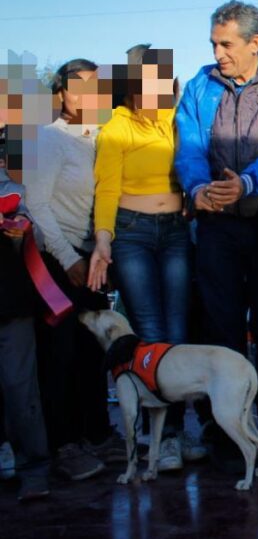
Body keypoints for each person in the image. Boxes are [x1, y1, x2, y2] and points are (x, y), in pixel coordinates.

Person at [174, 0, 258, 464]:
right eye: (213, 43)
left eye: (227, 44)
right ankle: (222, 428)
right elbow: (188, 145)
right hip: (215, 228)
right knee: (220, 328)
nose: (218, 53)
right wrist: (196, 188)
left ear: (256, 43)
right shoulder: (197, 86)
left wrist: (248, 182)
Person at [86, 48, 196, 472]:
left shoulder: (178, 120)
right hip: (131, 233)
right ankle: (162, 439)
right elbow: (106, 190)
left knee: (178, 329)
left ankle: (181, 429)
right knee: (149, 332)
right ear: (132, 88)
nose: (153, 92)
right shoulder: (115, 126)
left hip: (175, 232)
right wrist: (103, 242)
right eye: (144, 83)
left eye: (160, 82)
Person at [24, 59, 125, 481]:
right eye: (76, 87)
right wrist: (68, 259)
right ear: (61, 93)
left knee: (90, 353)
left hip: (94, 259)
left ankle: (97, 433)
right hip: (57, 261)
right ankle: (63, 444)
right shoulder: (48, 138)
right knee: (59, 354)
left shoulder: (104, 136)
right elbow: (36, 204)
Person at [0, 124, 50, 501]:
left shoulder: (10, 184)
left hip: (9, 303)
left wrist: (23, 227)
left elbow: (38, 233)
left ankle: (34, 470)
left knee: (20, 388)